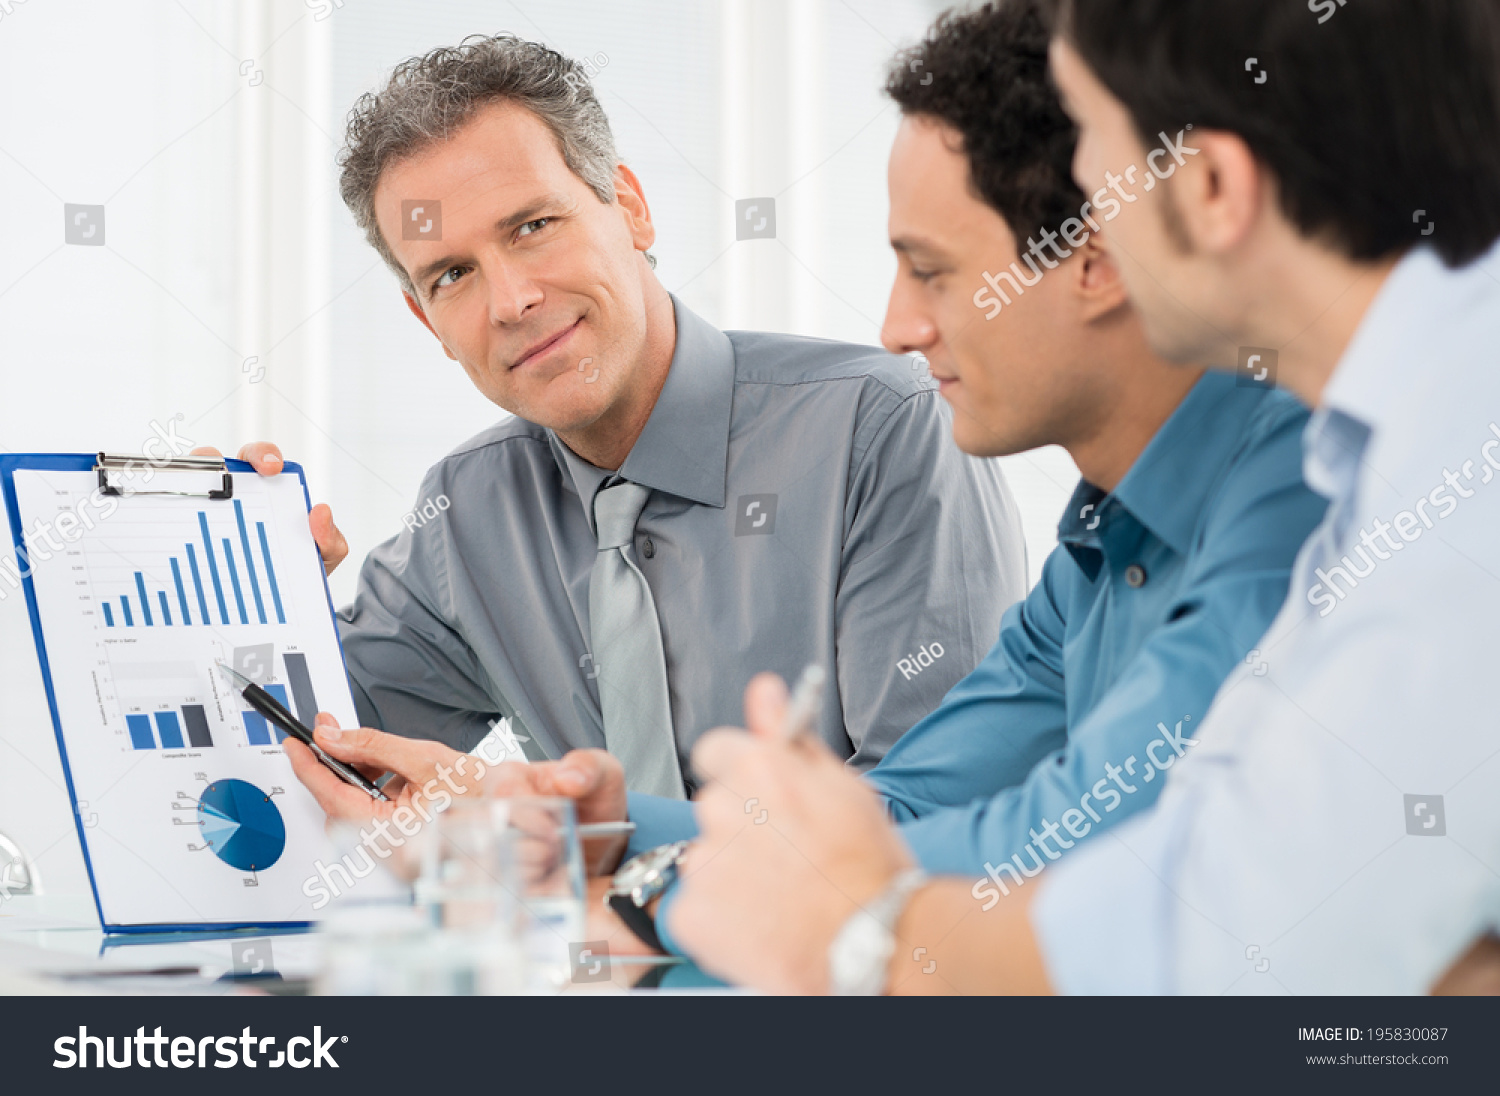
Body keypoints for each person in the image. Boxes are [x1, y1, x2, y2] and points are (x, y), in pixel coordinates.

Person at [285, 1, 1325, 978]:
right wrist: (263, 585)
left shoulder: (1301, 495)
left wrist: (641, 906)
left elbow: (1002, 838)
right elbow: (918, 814)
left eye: (934, 270)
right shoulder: (1094, 551)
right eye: (451, 274)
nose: (899, 327)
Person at [667, 0, 1500, 994]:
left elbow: (1223, 937)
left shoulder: (1441, 481)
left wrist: (863, 929)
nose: (1093, 207)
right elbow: (1221, 866)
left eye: (1099, 158)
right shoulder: (1375, 452)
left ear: (1211, 188)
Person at [208, 33, 1026, 800]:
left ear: (629, 206)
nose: (511, 301)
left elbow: (943, 820)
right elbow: (298, 759)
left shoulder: (882, 430)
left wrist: (557, 839)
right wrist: (251, 603)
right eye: (452, 274)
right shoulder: (465, 516)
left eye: (533, 226)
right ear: (427, 321)